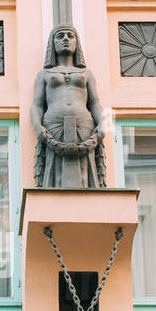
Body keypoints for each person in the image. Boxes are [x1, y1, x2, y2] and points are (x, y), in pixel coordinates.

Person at [31, 24, 107, 188]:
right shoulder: (43, 74)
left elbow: (95, 102)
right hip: (53, 127)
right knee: (54, 171)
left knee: (86, 170)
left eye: (70, 36)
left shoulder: (87, 73)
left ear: (76, 42)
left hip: (84, 125)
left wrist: (103, 124)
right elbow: (37, 105)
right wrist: (38, 127)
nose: (65, 38)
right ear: (53, 43)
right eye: (60, 36)